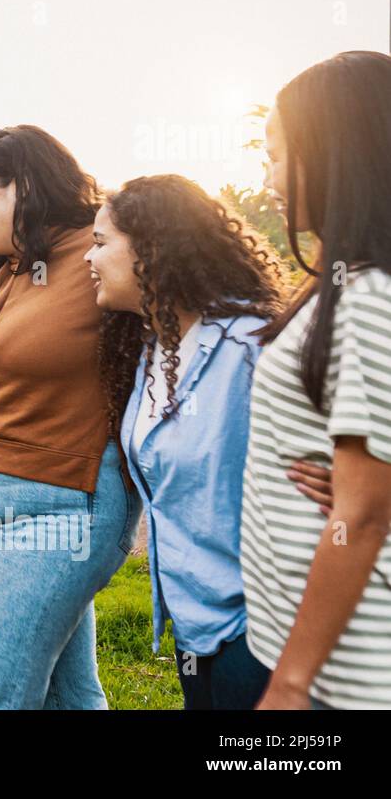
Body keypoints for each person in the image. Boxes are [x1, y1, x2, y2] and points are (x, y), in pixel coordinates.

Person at [0, 125, 141, 710]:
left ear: (23, 184)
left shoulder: (100, 250)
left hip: (61, 510)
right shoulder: (10, 264)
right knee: (69, 697)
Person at [86, 174, 285, 708]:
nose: (90, 258)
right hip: (192, 627)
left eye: (101, 243)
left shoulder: (252, 348)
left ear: (152, 249)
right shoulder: (149, 351)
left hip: (263, 632)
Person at [242, 50, 391, 710]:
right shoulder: (333, 284)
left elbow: (361, 515)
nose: (267, 174)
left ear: (338, 155)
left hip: (348, 669)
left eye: (277, 152)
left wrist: (291, 683)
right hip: (301, 639)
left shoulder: (369, 295)